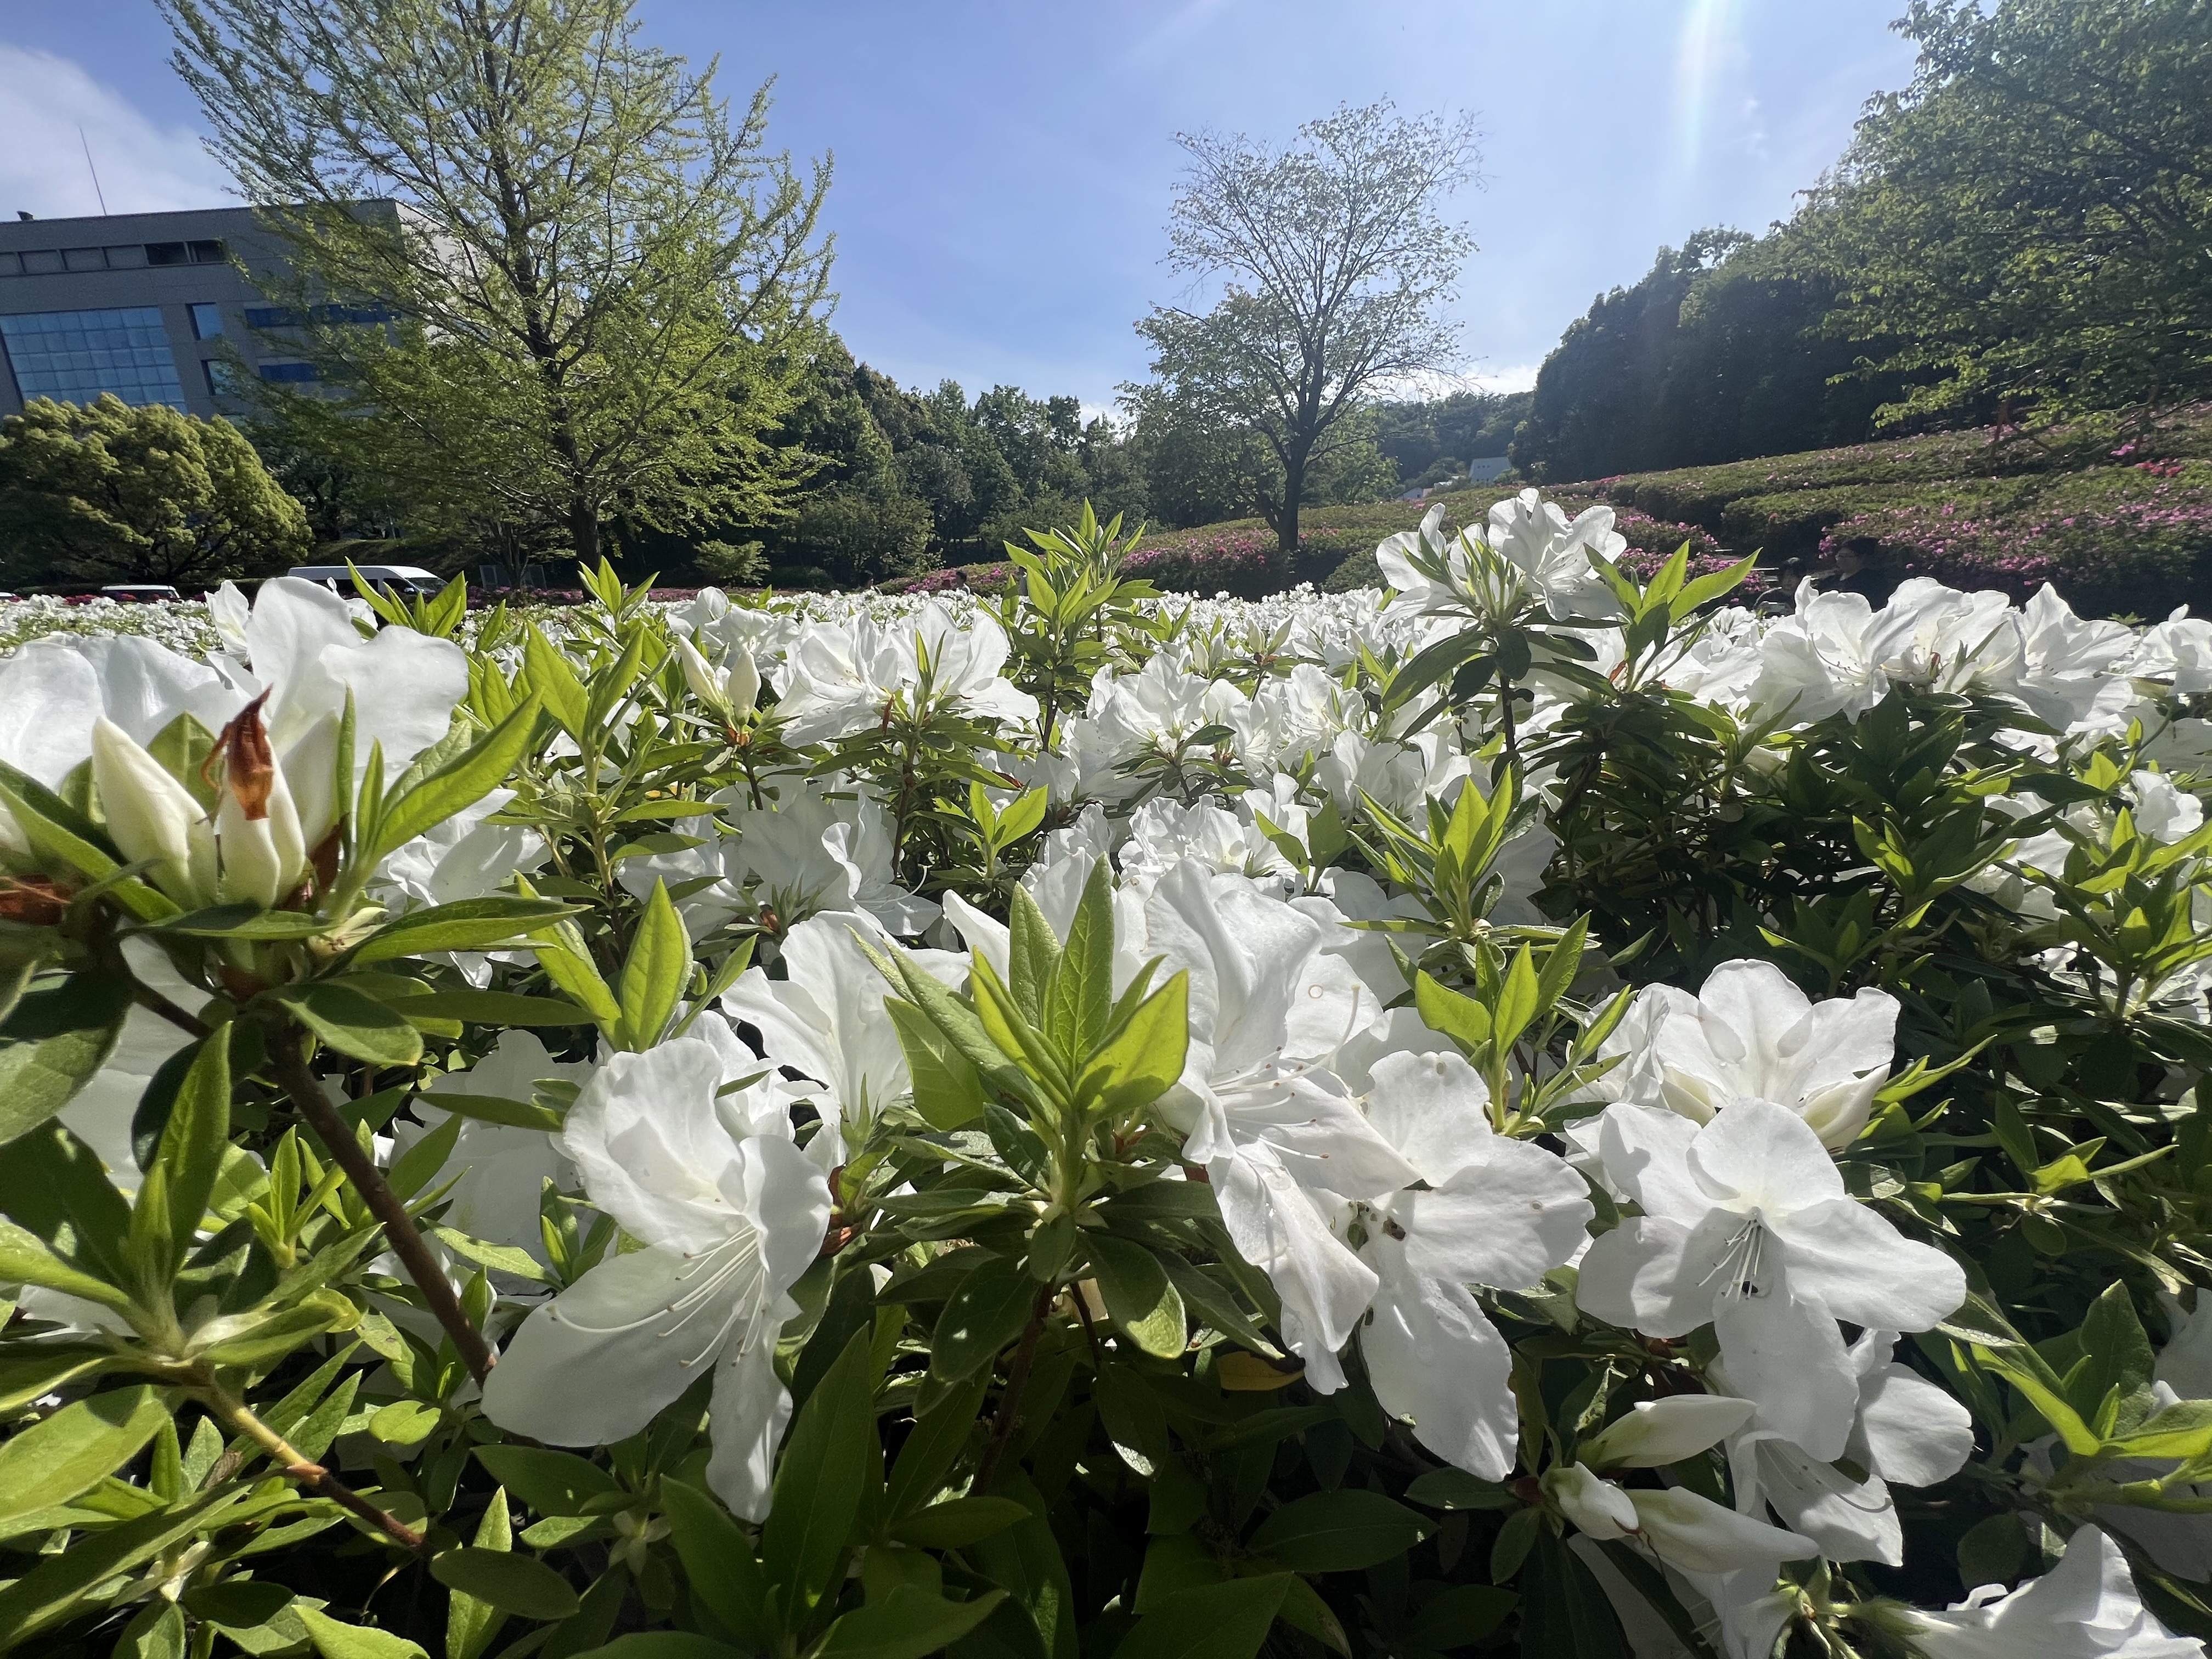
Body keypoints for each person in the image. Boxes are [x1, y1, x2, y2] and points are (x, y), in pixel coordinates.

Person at [1822, 538, 1895, 607]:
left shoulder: (1872, 580)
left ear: (1862, 558)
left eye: (1847, 556)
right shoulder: (1830, 581)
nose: (1842, 560)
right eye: (1840, 556)